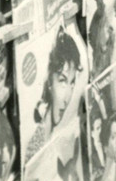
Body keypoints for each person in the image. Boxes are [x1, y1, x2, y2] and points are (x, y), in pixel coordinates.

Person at [26, 25, 83, 163]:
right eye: (62, 81)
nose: (67, 98)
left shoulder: (56, 132)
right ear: (49, 82)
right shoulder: (36, 146)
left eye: (72, 83)